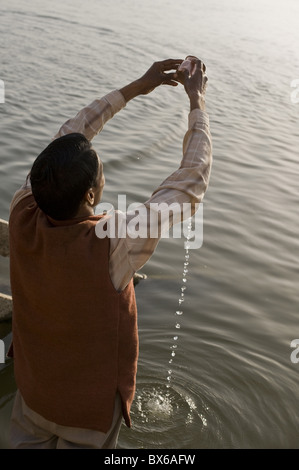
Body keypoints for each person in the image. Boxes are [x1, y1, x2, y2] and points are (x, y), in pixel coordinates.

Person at [8, 57, 212, 449]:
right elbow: (191, 183)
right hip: (89, 415)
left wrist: (137, 87)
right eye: (101, 175)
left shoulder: (23, 206)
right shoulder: (114, 241)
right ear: (91, 194)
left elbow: (70, 134)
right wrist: (197, 102)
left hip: (33, 392)